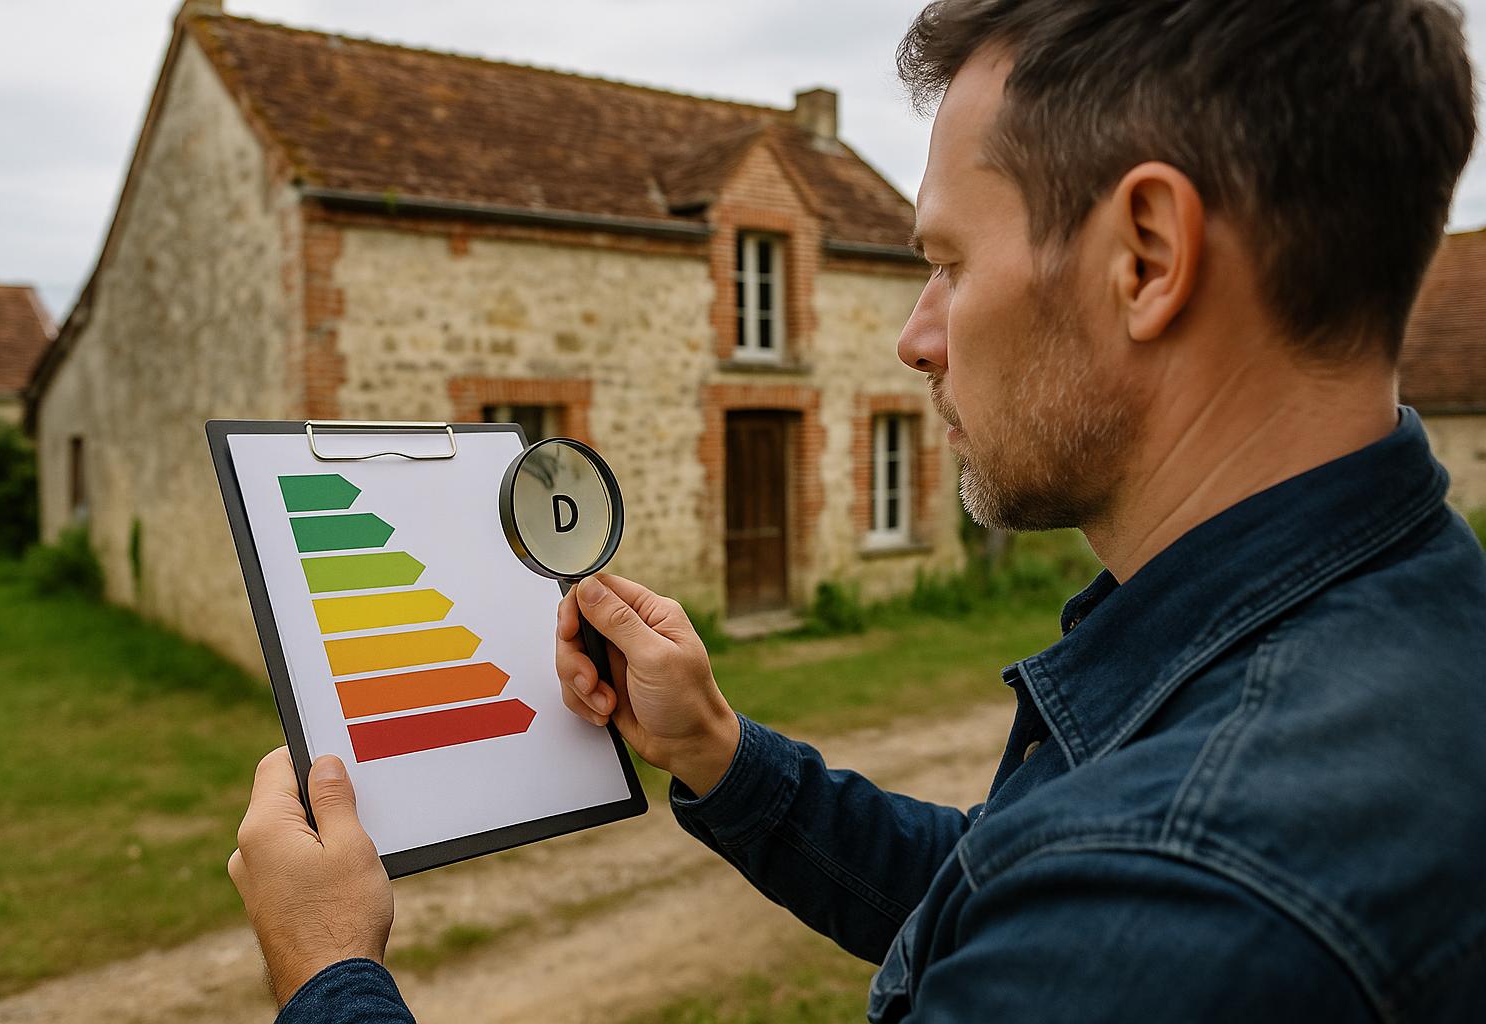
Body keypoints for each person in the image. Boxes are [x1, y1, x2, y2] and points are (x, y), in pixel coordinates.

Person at [228, 0, 1486, 1020]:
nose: (913, 336)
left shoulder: (1188, 893)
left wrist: (333, 972)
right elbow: (1000, 893)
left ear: (1146, 255)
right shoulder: (1405, 614)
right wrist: (721, 752)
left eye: (945, 262)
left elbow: (1095, 907)